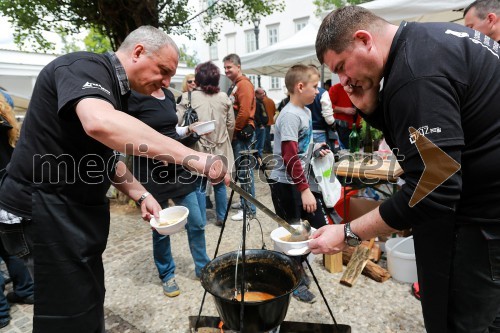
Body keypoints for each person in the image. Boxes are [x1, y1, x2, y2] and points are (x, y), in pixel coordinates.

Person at [0, 25, 228, 333]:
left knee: (89, 297)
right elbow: (99, 124)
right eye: (162, 71)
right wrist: (196, 159)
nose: (165, 82)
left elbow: (105, 159)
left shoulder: (118, 94)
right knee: (67, 312)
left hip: (73, 212)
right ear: (137, 52)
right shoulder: (84, 66)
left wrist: (142, 195)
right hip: (41, 208)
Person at [312, 6, 500, 333]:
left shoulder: (414, 74)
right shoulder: (427, 41)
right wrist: (371, 109)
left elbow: (435, 187)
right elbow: (422, 151)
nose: (342, 81)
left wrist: (347, 232)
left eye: (341, 66)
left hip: (483, 224)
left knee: (460, 324)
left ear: (363, 39)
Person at [128, 86, 211, 297]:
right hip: (151, 171)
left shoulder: (168, 95)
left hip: (177, 168)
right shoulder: (134, 96)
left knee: (197, 222)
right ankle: (167, 275)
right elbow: (126, 135)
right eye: (164, 71)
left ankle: (203, 267)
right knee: (161, 228)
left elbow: (171, 131)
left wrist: (189, 129)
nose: (167, 79)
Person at [269, 64, 332, 304]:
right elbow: (289, 156)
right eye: (315, 87)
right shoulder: (289, 115)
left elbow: (301, 146)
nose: (318, 92)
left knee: (310, 227)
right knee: (293, 234)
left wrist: (316, 149)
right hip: (287, 185)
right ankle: (293, 282)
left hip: (300, 183)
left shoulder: (305, 112)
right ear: (300, 86)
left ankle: (296, 268)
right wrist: (304, 190)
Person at [177, 61, 235, 227]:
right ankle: (222, 217)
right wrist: (226, 141)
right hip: (221, 145)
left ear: (198, 78)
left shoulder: (189, 97)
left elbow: (178, 121)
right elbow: (231, 124)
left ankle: (201, 220)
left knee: (199, 186)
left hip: (198, 147)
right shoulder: (224, 97)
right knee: (220, 184)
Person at [0, 91, 34, 329]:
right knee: (11, 249)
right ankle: (26, 290)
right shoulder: (9, 125)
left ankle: (1, 313)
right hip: (8, 199)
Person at [223, 53, 257, 221]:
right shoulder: (236, 84)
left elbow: (243, 112)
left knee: (245, 172)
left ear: (238, 67)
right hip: (239, 133)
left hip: (242, 133)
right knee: (242, 171)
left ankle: (249, 209)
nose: (226, 70)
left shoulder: (243, 85)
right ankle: (244, 201)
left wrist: (233, 131)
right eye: (225, 68)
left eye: (229, 67)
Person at [305, 65, 335, 145]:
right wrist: (333, 123)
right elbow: (329, 119)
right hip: (320, 132)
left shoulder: (301, 93)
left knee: (306, 156)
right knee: (321, 156)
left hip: (304, 132)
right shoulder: (323, 93)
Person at [328, 82, 359, 149]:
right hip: (343, 127)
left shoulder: (359, 87)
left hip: (359, 127)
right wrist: (344, 110)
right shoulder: (336, 88)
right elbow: (328, 106)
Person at [257, 88, 276, 154]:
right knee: (267, 136)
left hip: (263, 122)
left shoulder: (262, 101)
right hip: (270, 120)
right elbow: (274, 111)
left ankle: (267, 149)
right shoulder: (271, 100)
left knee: (265, 137)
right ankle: (269, 148)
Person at [254, 88, 270, 157]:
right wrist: (260, 124)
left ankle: (259, 162)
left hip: (262, 126)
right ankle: (258, 163)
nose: (263, 95)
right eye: (261, 94)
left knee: (260, 146)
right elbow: (256, 115)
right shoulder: (257, 103)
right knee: (259, 146)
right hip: (260, 127)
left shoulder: (260, 102)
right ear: (256, 94)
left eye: (264, 93)